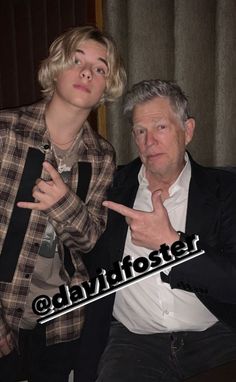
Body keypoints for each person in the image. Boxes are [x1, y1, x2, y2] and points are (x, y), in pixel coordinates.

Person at [85, 79, 236, 381]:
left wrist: (170, 244)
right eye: (140, 131)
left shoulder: (226, 192)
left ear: (188, 130)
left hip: (214, 335)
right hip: (134, 341)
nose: (148, 141)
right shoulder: (111, 187)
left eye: (160, 127)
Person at [0, 25, 126, 382]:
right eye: (77, 60)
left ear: (106, 87)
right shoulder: (6, 132)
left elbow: (89, 241)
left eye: (100, 68)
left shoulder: (102, 157)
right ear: (54, 69)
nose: (88, 72)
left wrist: (62, 202)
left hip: (62, 321)